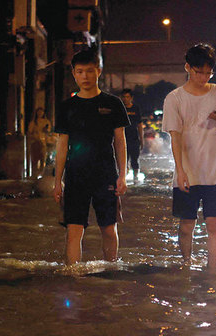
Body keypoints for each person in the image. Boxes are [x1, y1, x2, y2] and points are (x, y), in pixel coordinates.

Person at [162, 43, 216, 272]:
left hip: (215, 171)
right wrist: (181, 170)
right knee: (187, 225)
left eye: (208, 72)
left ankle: (212, 272)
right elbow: (175, 137)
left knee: (214, 224)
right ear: (188, 67)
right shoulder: (174, 98)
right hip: (188, 172)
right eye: (199, 71)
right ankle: (186, 266)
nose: (204, 77)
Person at [52, 48, 129, 265]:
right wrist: (58, 181)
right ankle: (73, 277)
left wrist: (122, 175)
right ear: (74, 74)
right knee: (74, 231)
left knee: (109, 228)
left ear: (99, 71)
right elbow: (62, 144)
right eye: (80, 72)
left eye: (89, 71)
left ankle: (112, 270)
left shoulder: (113, 104)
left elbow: (120, 141)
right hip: (75, 175)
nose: (85, 76)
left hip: (106, 174)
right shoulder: (67, 107)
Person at [120, 89, 144, 181]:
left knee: (135, 160)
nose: (125, 99)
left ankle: (135, 178)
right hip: (122, 139)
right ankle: (123, 179)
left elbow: (140, 125)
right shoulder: (120, 108)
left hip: (134, 139)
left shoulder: (136, 108)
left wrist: (142, 140)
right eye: (124, 97)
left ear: (131, 98)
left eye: (127, 97)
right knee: (123, 160)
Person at [27, 107, 52, 178]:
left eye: (41, 112)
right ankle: (34, 174)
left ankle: (42, 174)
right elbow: (29, 132)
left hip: (43, 143)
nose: (40, 113)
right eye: (39, 112)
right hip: (35, 142)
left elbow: (48, 131)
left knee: (43, 159)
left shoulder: (46, 122)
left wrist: (46, 131)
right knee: (34, 159)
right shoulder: (33, 122)